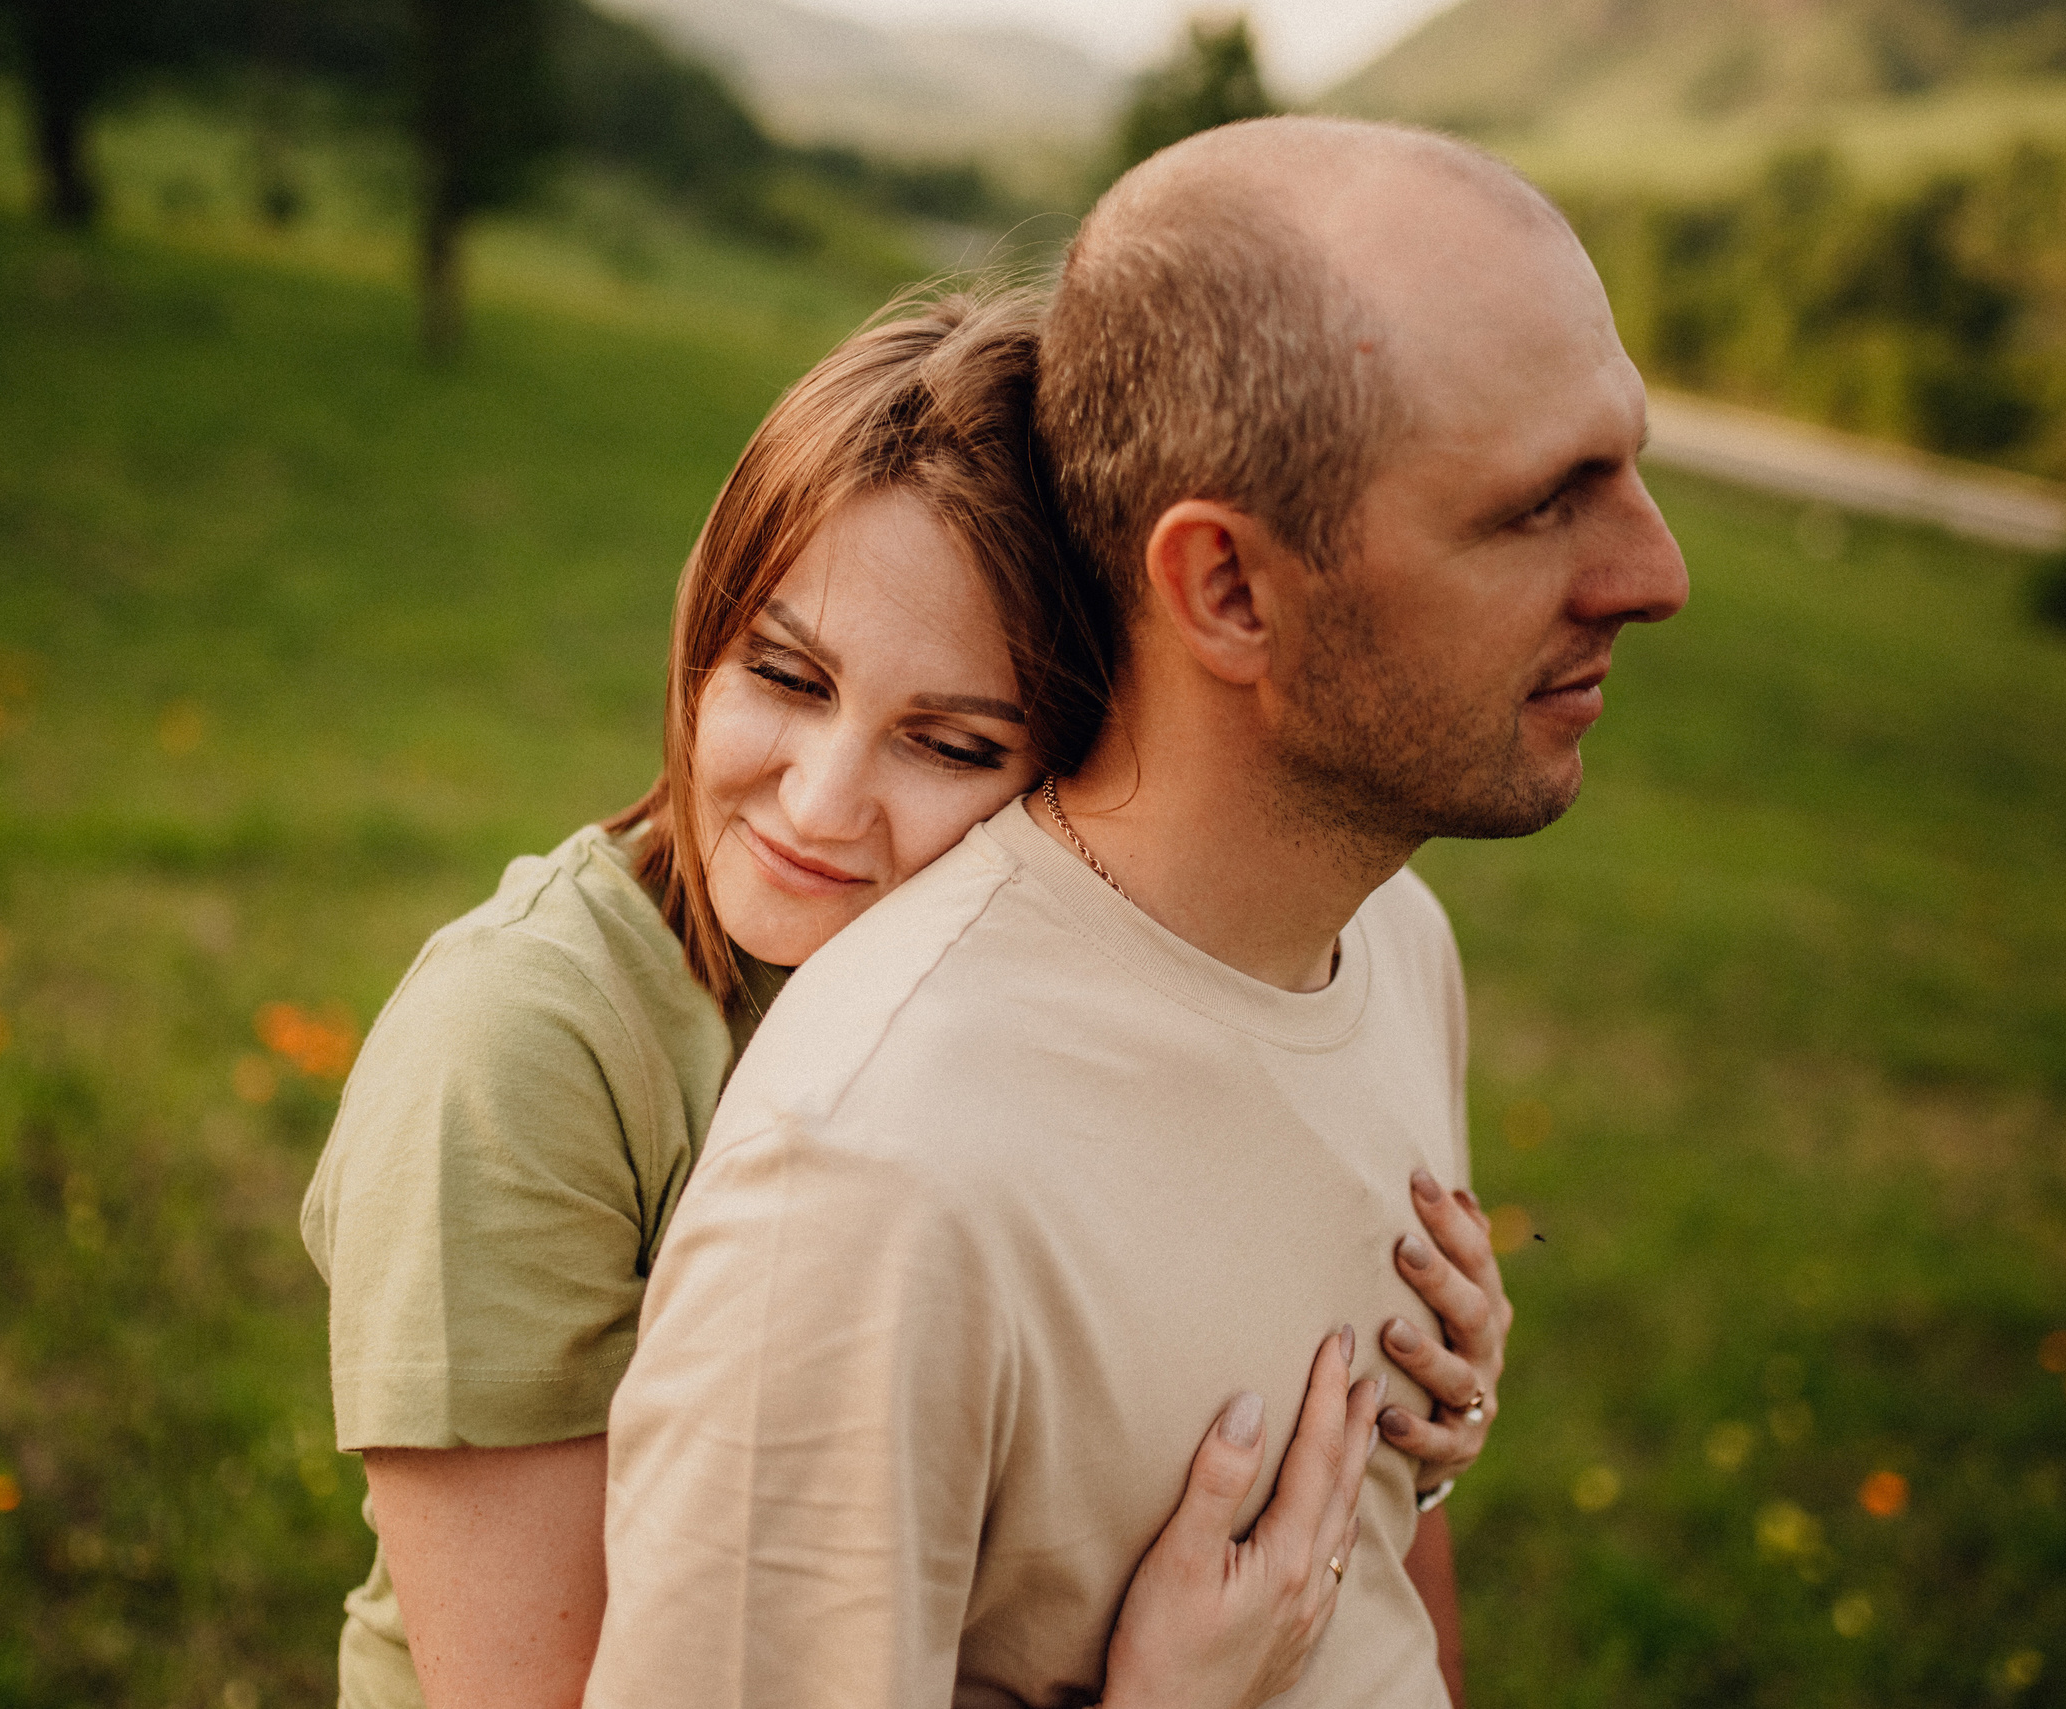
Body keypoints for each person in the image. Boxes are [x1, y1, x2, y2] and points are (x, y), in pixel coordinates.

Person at [583, 116, 1689, 1709]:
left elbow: (1372, 1597)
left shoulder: (1389, 940)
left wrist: (1423, 1463)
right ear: (1228, 588)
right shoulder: (877, 1182)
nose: (1652, 571)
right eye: (1539, 505)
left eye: (1629, 466)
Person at [301, 290, 1514, 1709]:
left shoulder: (1068, 1006)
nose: (819, 802)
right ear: (706, 613)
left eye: (947, 741)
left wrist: (1407, 1425)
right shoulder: (522, 1057)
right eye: (782, 672)